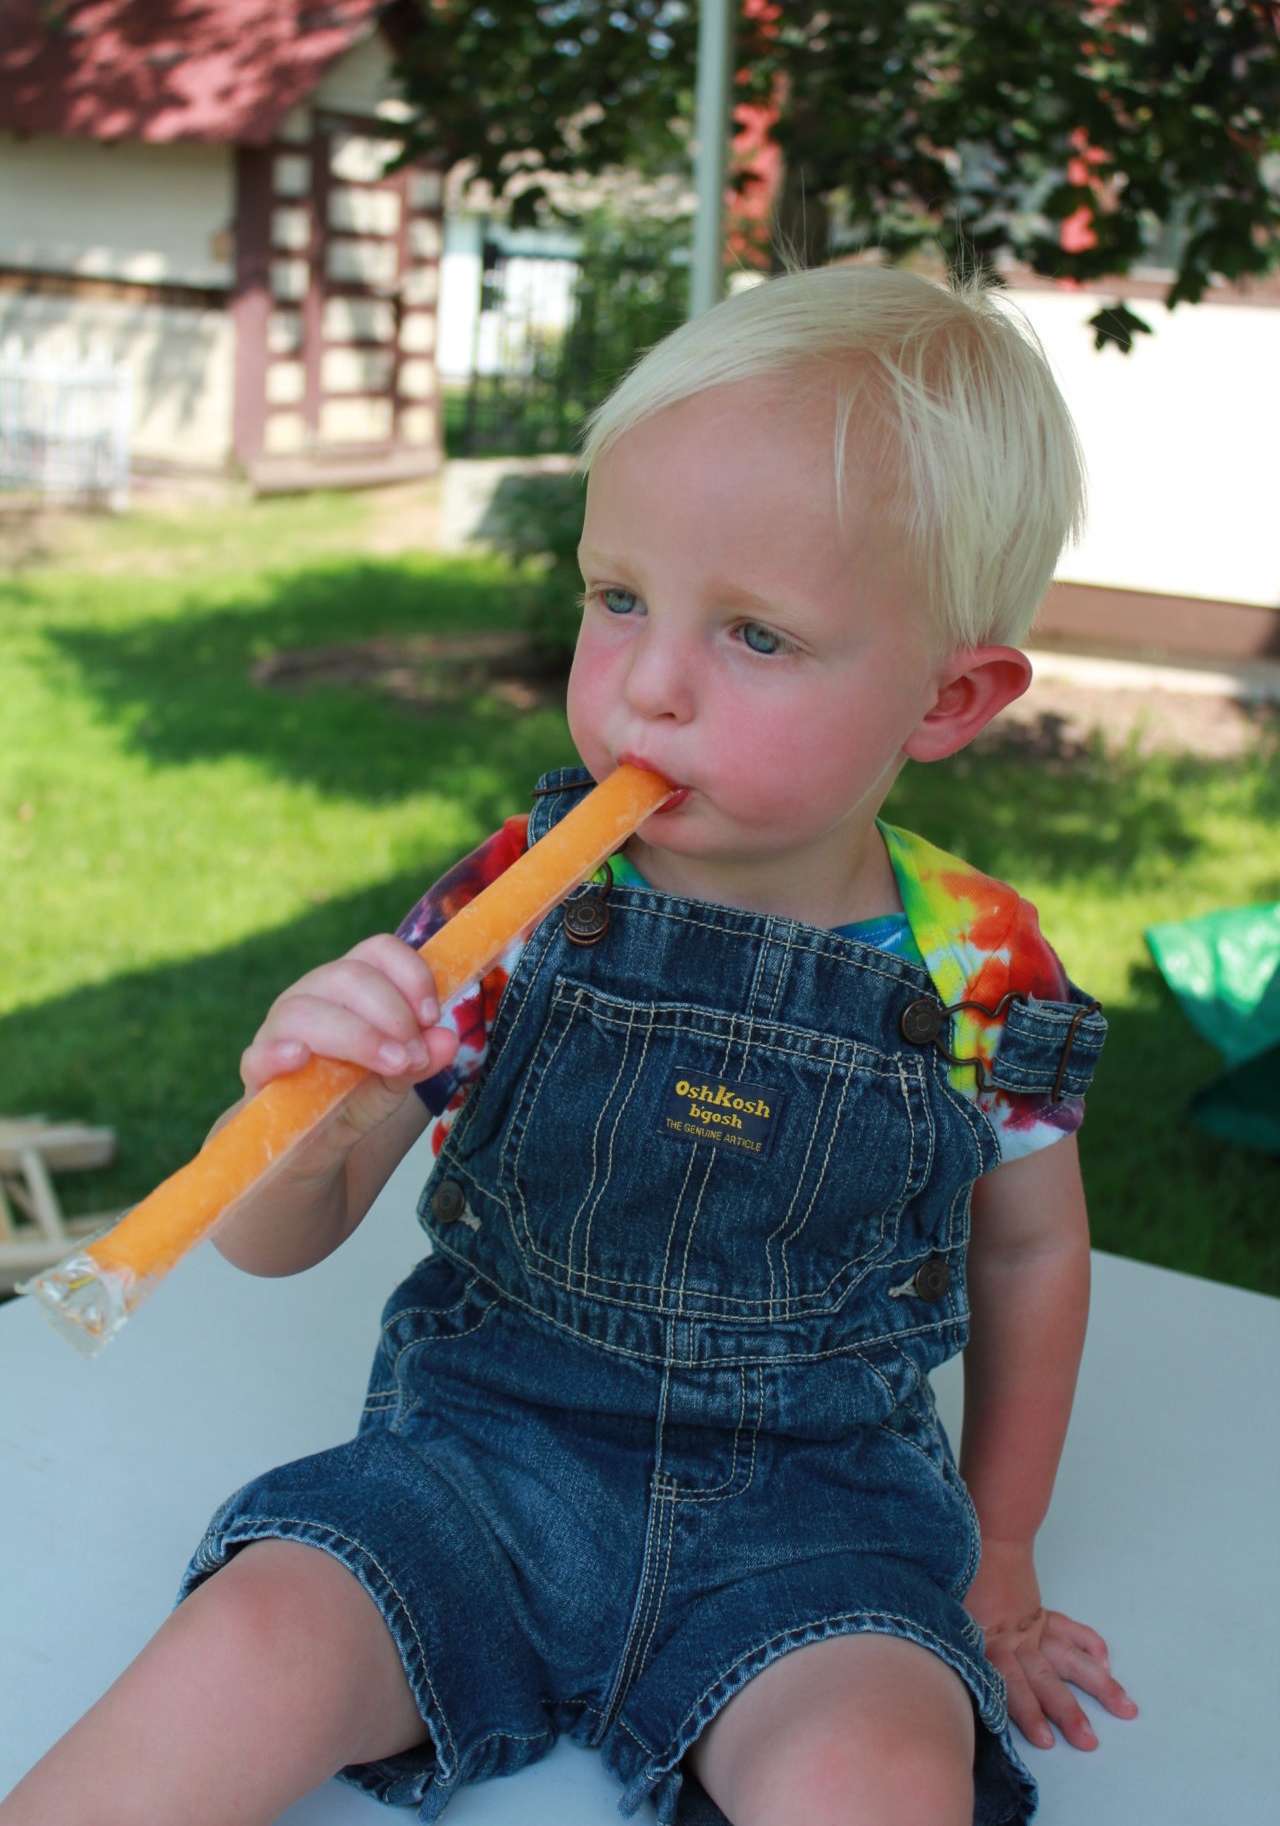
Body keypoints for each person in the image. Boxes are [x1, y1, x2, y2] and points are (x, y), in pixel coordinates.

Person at [1, 264, 1138, 1826]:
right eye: (618, 600)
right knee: (248, 1636)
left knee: (876, 1772)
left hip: (823, 1524)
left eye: (755, 633)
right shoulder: (516, 907)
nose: (646, 687)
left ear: (949, 696)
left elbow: (1029, 1260)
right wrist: (295, 1114)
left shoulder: (981, 968)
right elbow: (286, 1240)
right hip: (476, 1469)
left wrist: (999, 1559)